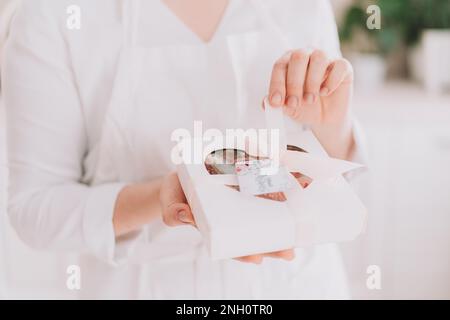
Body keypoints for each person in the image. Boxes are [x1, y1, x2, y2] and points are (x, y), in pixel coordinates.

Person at [3, 0, 363, 299]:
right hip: (139, 286)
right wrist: (165, 195)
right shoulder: (52, 15)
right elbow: (35, 209)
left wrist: (331, 123)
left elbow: (335, 174)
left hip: (295, 283)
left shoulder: (300, 6)